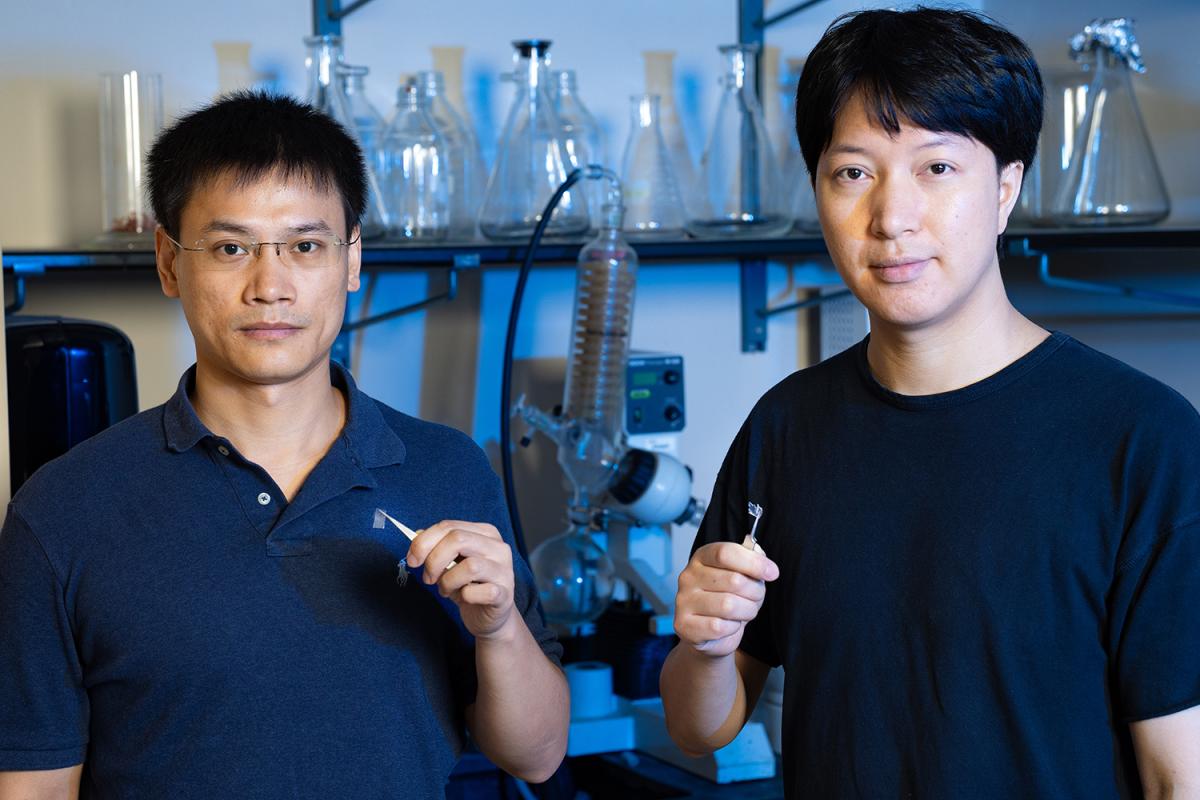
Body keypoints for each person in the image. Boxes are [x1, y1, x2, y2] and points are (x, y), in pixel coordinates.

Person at [661, 8, 1200, 798]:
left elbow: (1178, 774)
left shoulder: (1142, 440)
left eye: (937, 168)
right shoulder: (786, 426)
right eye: (853, 172)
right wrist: (704, 648)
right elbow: (699, 724)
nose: (891, 218)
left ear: (1007, 188)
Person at [0, 91, 568, 798]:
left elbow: (538, 756)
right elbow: (34, 787)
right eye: (230, 247)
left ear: (352, 259)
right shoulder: (62, 509)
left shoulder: (446, 469)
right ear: (171, 263)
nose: (270, 287)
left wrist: (499, 627)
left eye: (305, 246)